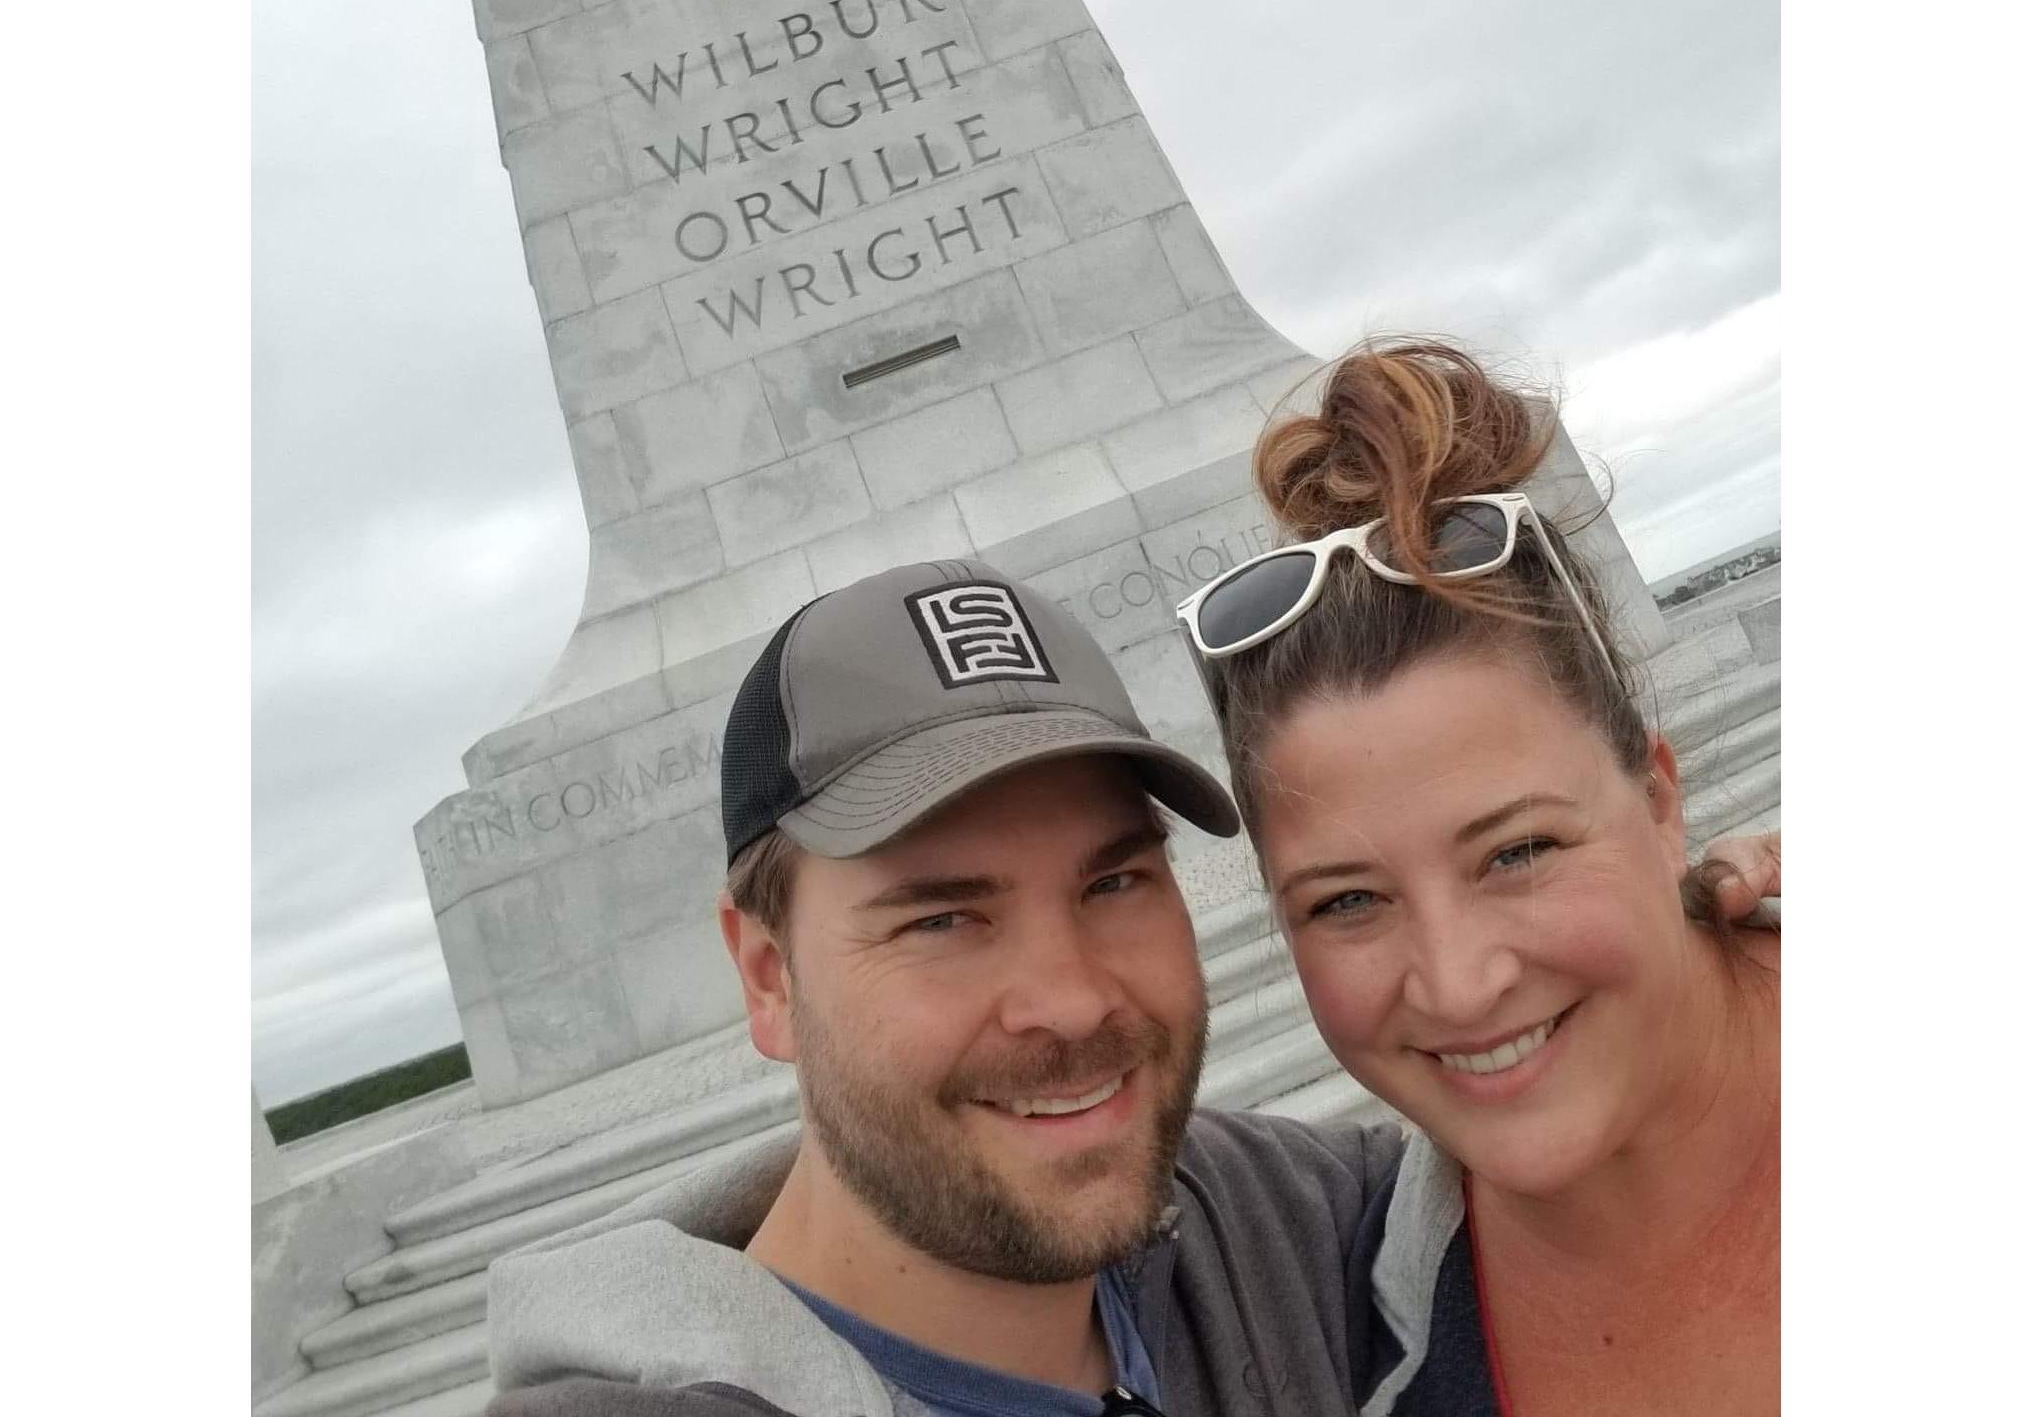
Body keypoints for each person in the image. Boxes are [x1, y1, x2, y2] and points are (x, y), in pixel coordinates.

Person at [485, 551, 1776, 1417]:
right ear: (768, 979)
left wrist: (1723, 933)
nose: (1069, 1001)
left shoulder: (1295, 1234)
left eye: (1112, 883)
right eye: (942, 918)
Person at [1176, 339, 1780, 1416]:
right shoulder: (1344, 1337)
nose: (1457, 985)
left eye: (1519, 852)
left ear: (1655, 800)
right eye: (1346, 901)